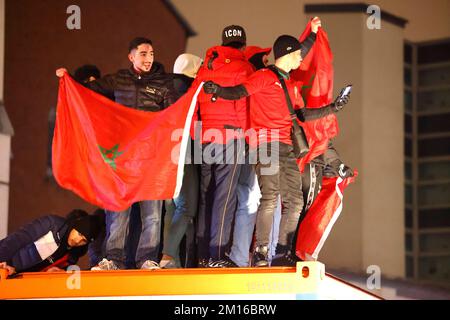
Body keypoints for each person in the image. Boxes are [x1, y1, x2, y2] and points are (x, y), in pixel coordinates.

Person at [203, 33, 351, 267]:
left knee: (295, 200)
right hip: (265, 144)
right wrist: (218, 90)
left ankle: (282, 252)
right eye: (298, 55)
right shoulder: (263, 76)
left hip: (286, 147)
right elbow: (241, 91)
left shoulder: (290, 84)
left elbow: (301, 115)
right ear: (287, 54)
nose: (301, 59)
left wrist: (332, 108)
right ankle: (262, 252)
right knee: (270, 197)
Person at [56, 37, 177, 270]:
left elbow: (173, 114)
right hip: (122, 158)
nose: (148, 58)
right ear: (131, 56)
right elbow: (88, 90)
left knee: (151, 214)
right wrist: (67, 79)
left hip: (151, 159)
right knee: (117, 211)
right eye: (143, 53)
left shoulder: (164, 83)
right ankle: (113, 259)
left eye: (151, 53)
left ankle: (147, 259)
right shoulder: (119, 79)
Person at [193, 25, 255, 267]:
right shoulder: (244, 67)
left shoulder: (205, 68)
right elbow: (244, 107)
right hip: (231, 139)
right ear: (243, 44)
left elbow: (194, 105)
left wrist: (197, 137)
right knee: (225, 199)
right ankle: (217, 256)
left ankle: (201, 255)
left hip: (205, 138)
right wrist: (247, 137)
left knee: (205, 198)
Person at [160, 53, 203, 269]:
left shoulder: (165, 88)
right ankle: (169, 255)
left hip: (164, 155)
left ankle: (172, 260)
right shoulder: (190, 91)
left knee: (171, 208)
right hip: (184, 154)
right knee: (187, 207)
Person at [0, 209, 102, 275]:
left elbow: (64, 268)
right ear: (75, 226)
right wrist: (2, 260)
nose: (78, 240)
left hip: (15, 276)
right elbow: (19, 238)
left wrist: (59, 270)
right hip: (4, 264)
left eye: (84, 240)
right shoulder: (52, 224)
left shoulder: (74, 253)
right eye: (79, 234)